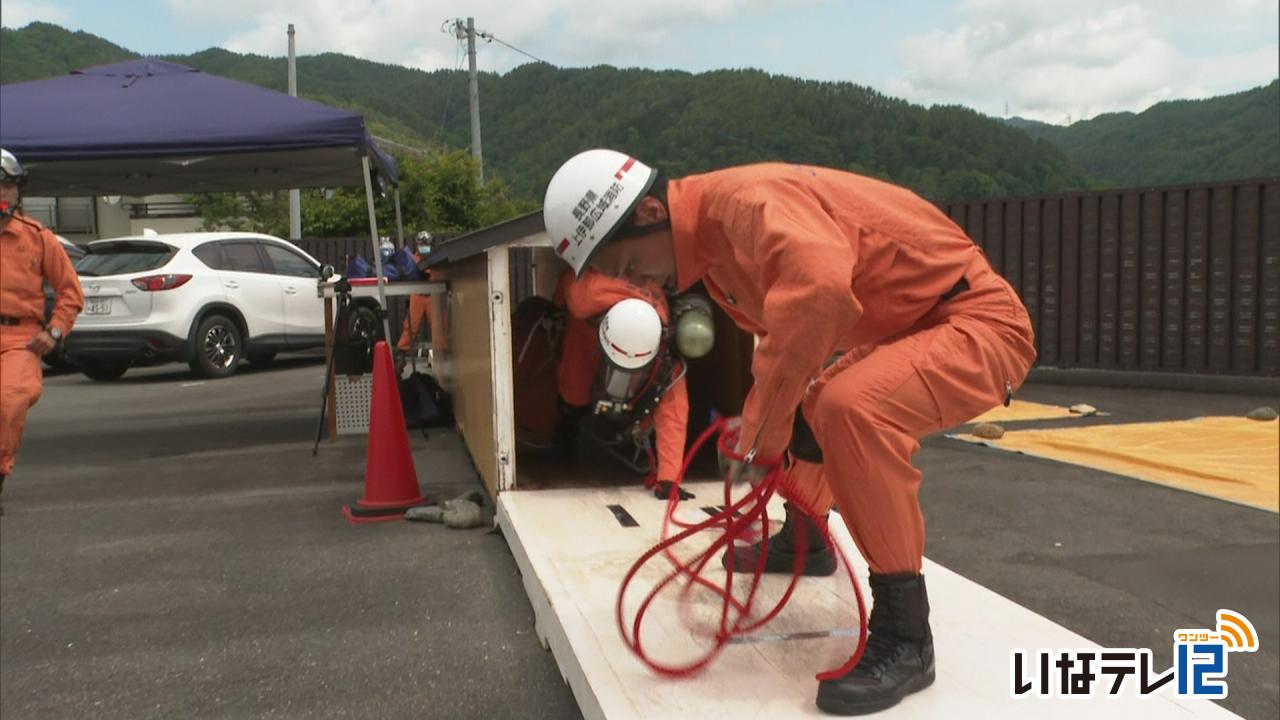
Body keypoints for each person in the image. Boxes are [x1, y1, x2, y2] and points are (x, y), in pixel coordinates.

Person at [542, 149, 1036, 715]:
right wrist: (778, 418)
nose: (634, 281)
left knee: (852, 409)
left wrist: (759, 437)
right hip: (917, 327)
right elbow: (797, 337)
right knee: (819, 400)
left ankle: (907, 638)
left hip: (981, 323)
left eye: (625, 264)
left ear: (652, 210)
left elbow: (820, 292)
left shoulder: (746, 207)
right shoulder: (714, 246)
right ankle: (807, 539)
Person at [552, 267, 691, 497]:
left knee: (657, 391)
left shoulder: (664, 353)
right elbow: (567, 277)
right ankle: (567, 428)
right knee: (574, 393)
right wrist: (556, 305)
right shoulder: (583, 298)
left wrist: (669, 478)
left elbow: (673, 411)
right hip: (587, 328)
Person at [0, 148, 85, 515]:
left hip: (20, 337)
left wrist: (54, 331)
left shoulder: (39, 238)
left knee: (12, 398)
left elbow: (70, 292)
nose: (1, 192)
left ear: (18, 190)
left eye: (7, 185)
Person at [396, 231, 437, 355]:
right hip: (417, 295)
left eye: (426, 244)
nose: (424, 246)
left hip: (432, 296)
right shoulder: (412, 260)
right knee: (410, 327)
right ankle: (400, 353)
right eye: (421, 244)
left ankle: (444, 352)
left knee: (438, 327)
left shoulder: (436, 259)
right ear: (417, 245)